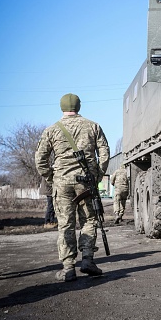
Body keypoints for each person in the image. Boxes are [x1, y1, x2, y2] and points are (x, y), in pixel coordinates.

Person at [35, 93, 110, 282]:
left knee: (66, 224)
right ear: (79, 106)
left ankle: (68, 268)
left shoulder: (51, 130)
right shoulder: (93, 126)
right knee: (89, 221)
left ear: (62, 107)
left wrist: (51, 178)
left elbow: (40, 159)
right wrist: (98, 175)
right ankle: (87, 260)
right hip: (86, 182)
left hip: (62, 183)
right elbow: (105, 153)